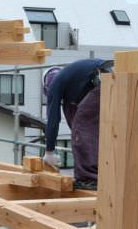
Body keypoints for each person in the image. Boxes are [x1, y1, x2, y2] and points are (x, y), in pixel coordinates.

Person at [42, 58, 114, 190]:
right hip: (110, 79)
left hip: (103, 79)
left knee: (81, 128)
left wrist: (49, 151)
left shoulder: (55, 84)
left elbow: (53, 120)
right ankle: (102, 172)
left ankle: (89, 179)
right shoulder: (74, 80)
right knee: (97, 131)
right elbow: (78, 116)